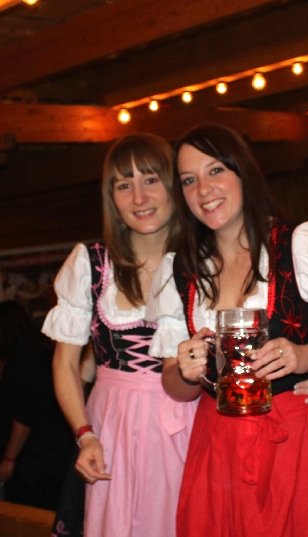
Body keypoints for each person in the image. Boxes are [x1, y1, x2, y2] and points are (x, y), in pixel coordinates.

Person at [145, 123, 308, 537]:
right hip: (217, 442)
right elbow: (174, 387)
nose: (204, 190)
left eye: (216, 171)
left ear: (243, 172)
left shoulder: (298, 243)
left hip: (296, 436)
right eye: (189, 180)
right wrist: (186, 371)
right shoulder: (178, 269)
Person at [41, 133, 198, 537]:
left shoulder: (205, 262)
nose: (139, 197)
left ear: (173, 185)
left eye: (150, 180)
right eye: (124, 185)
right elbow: (64, 363)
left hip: (195, 421)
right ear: (111, 198)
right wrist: (85, 435)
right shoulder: (91, 264)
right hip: (113, 427)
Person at [0, 300, 75, 509]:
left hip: (36, 456)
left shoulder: (22, 362)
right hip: (56, 449)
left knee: (26, 512)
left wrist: (9, 459)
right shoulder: (40, 350)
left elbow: (24, 415)